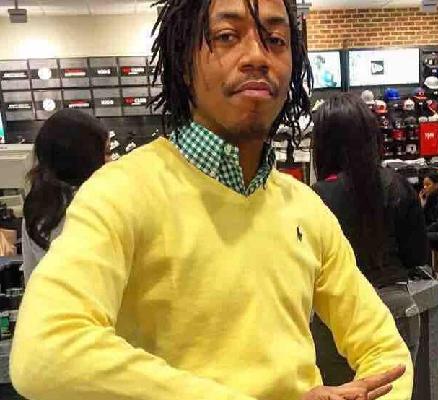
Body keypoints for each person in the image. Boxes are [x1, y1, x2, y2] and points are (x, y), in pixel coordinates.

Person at [11, 1, 411, 400]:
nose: (257, 56)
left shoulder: (305, 209)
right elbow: (47, 351)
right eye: (227, 36)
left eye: (275, 39)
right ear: (184, 60)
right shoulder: (121, 194)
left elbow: (387, 353)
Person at [311, 93, 428, 385]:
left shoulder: (315, 198)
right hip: (396, 307)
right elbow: (417, 257)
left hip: (337, 317)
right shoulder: (398, 185)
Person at [21, 109, 110, 283]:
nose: (112, 161)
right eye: (106, 153)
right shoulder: (92, 210)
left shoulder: (35, 208)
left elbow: (31, 278)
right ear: (86, 157)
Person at [420, 172, 438, 249]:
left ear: (436, 185)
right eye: (424, 185)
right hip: (433, 230)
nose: (425, 187)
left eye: (428, 185)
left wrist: (424, 230)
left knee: (419, 237)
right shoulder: (430, 198)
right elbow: (422, 218)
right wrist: (422, 204)